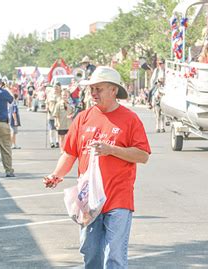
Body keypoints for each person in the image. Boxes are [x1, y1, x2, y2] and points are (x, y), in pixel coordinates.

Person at [44, 66, 151, 268]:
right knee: (90, 254)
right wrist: (56, 175)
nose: (93, 94)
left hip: (118, 198)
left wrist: (112, 150)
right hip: (89, 199)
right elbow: (69, 153)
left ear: (113, 90)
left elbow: (143, 155)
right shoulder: (83, 118)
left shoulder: (130, 119)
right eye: (91, 89)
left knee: (115, 255)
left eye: (98, 89)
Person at [53, 89, 74, 154]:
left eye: (66, 95)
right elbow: (55, 114)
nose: (64, 96)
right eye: (63, 95)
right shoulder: (58, 104)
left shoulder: (71, 104)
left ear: (68, 95)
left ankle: (67, 149)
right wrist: (56, 122)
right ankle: (61, 149)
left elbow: (74, 112)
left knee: (68, 137)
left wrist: (71, 115)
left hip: (69, 124)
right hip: (61, 123)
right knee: (61, 137)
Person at [47, 83, 61, 148]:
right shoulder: (50, 95)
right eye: (54, 87)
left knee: (57, 128)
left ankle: (57, 141)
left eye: (57, 88)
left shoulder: (60, 95)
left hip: (59, 114)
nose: (55, 89)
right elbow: (47, 103)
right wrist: (47, 109)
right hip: (51, 114)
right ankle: (51, 141)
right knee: (51, 128)